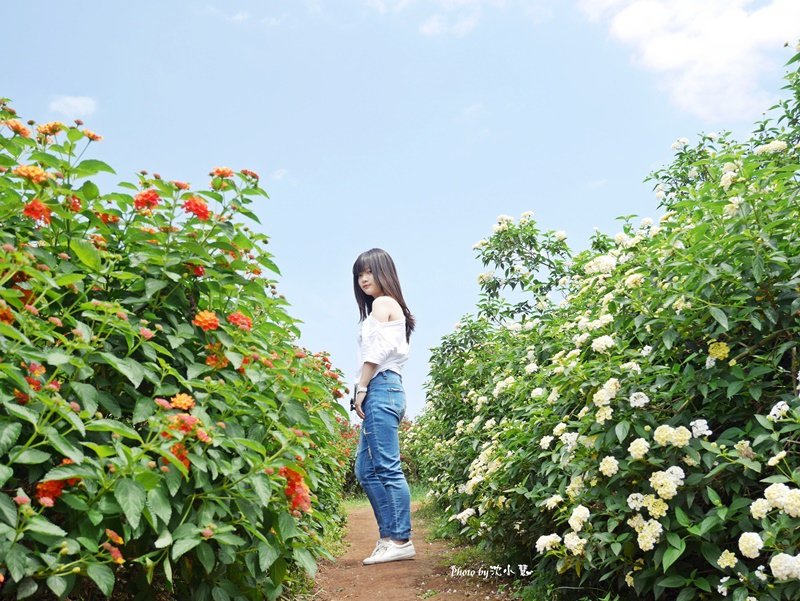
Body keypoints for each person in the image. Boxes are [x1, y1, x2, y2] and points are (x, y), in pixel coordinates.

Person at [352, 248, 416, 565]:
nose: (364, 278)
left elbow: (375, 352)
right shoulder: (387, 307)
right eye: (359, 273)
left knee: (387, 467)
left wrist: (361, 388)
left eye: (370, 271)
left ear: (384, 272)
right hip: (386, 388)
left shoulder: (383, 303)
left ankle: (400, 538)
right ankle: (390, 537)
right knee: (365, 470)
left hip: (382, 387)